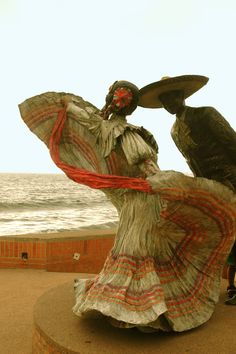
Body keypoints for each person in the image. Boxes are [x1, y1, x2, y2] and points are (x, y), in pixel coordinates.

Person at [19, 80, 236, 332]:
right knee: (139, 250)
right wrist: (162, 181)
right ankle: (137, 308)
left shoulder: (115, 130)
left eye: (121, 100)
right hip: (141, 199)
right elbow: (141, 163)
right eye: (120, 99)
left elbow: (87, 119)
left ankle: (134, 307)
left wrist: (68, 107)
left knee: (137, 249)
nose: (118, 103)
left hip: (142, 198)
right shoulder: (126, 132)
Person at [139, 75, 236, 305]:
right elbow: (191, 162)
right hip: (210, 187)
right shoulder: (174, 131)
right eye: (164, 101)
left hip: (231, 178)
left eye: (172, 96)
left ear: (182, 96)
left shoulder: (206, 114)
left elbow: (232, 143)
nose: (169, 103)